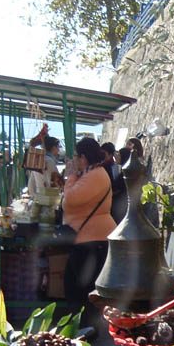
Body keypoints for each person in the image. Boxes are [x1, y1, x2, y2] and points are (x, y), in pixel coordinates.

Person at [62, 137, 115, 327]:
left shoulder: (95, 175)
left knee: (81, 287)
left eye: (76, 156)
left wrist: (71, 176)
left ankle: (87, 328)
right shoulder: (93, 173)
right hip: (92, 237)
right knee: (78, 285)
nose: (74, 159)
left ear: (83, 157)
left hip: (93, 238)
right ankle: (85, 326)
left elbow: (70, 199)